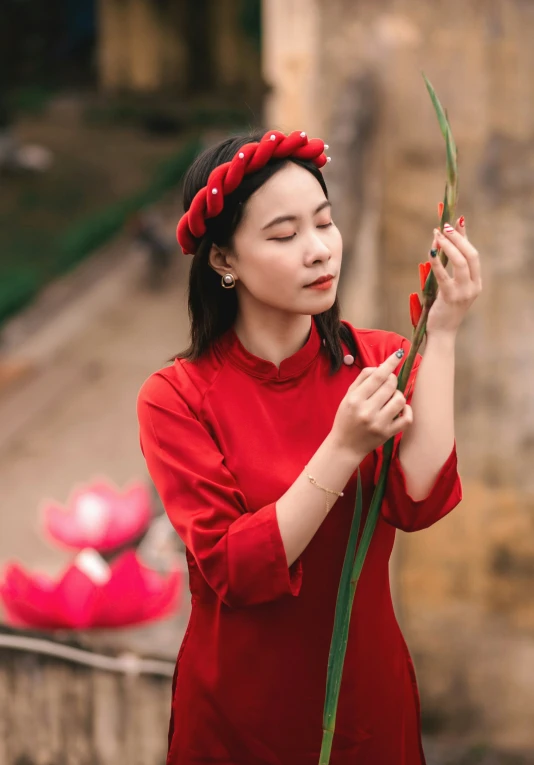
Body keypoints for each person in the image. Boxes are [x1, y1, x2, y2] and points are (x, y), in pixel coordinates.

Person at [136, 129, 482, 765]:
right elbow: (235, 571)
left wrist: (446, 332)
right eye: (283, 235)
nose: (319, 250)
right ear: (223, 261)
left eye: (325, 223)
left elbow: (419, 503)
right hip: (239, 714)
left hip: (366, 702)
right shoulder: (177, 397)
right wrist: (342, 447)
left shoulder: (377, 360)